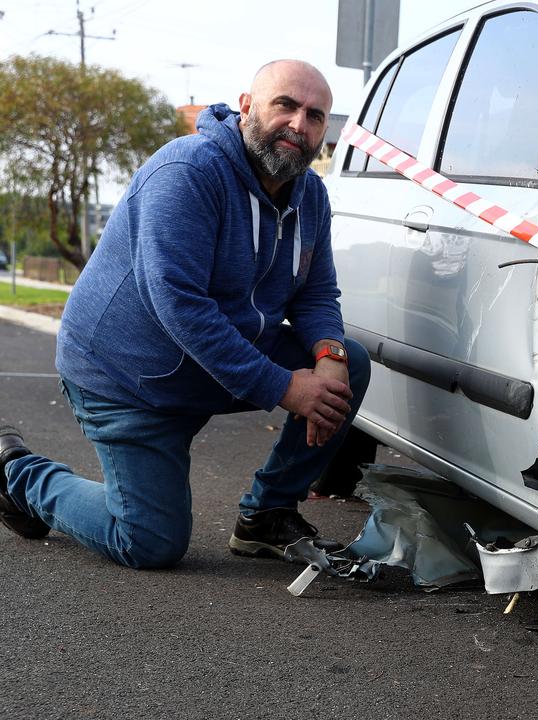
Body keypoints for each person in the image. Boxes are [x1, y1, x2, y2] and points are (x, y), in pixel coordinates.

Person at [0, 59, 369, 569]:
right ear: (246, 107)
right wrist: (286, 388)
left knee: (349, 365)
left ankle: (266, 514)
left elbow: (316, 292)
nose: (299, 125)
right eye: (285, 105)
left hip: (211, 361)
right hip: (128, 377)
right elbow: (180, 305)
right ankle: (18, 476)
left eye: (315, 115)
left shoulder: (311, 196)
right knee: (150, 542)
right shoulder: (188, 171)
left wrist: (328, 354)